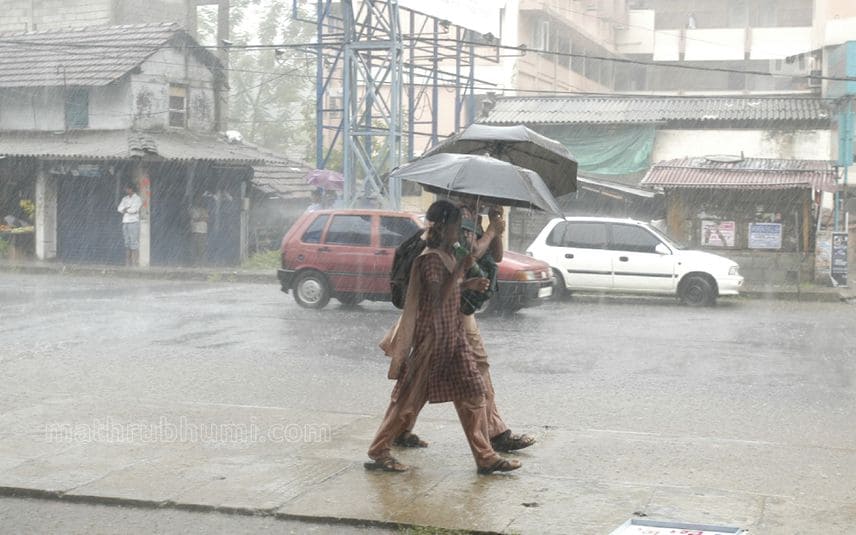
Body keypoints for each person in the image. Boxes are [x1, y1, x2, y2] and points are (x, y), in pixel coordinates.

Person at [366, 200, 522, 475]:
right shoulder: (430, 259)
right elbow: (438, 296)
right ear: (442, 227)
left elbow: (459, 280)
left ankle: (485, 456)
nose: (457, 233)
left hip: (454, 338)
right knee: (407, 401)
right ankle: (379, 450)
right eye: (454, 228)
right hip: (433, 341)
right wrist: (463, 274)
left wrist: (467, 278)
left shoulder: (449, 254)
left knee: (473, 393)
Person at [117, 183, 142, 267]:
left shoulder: (137, 199)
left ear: (131, 189)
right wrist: (127, 209)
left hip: (134, 222)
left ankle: (135, 262)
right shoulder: (125, 198)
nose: (126, 190)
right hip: (125, 222)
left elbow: (134, 210)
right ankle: (128, 262)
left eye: (127, 189)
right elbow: (119, 209)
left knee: (134, 242)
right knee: (127, 242)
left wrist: (126, 209)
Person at [190, 194, 209, 265]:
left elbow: (206, 218)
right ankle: (195, 262)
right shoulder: (193, 209)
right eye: (198, 200)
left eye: (200, 200)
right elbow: (196, 218)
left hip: (203, 231)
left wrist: (201, 217)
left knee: (202, 248)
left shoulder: (204, 209)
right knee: (195, 247)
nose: (199, 201)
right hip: (196, 231)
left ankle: (202, 262)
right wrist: (202, 217)